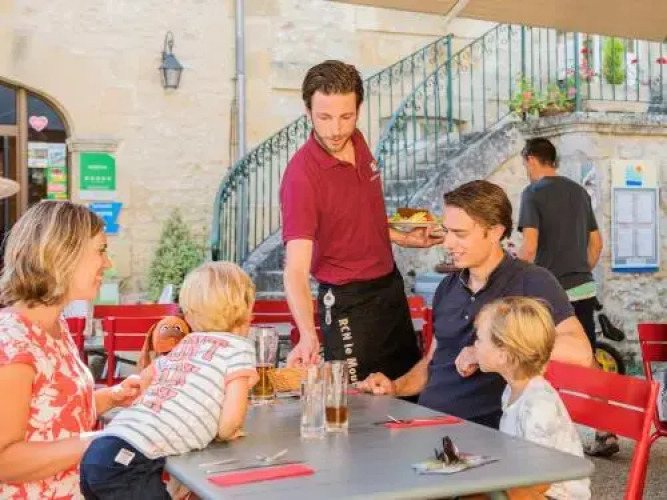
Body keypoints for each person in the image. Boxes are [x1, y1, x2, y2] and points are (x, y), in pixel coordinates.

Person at [359, 180, 592, 429]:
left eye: (460, 234)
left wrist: (489, 350)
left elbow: (580, 351)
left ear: (495, 232)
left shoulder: (532, 281)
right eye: (446, 231)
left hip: (482, 435)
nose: (447, 243)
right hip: (426, 423)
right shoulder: (447, 287)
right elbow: (433, 363)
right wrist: (395, 387)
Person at [280, 60, 442, 384]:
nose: (336, 130)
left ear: (358, 109)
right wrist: (308, 335)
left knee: (408, 390)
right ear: (307, 112)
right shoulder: (301, 178)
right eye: (324, 117)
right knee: (361, 405)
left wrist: (401, 236)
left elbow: (357, 213)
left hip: (390, 290)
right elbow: (295, 270)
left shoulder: (357, 140)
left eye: (346, 116)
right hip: (347, 303)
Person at [80, 262, 259, 499]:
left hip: (101, 450)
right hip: (129, 463)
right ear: (246, 311)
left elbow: (145, 378)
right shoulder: (238, 349)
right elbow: (229, 422)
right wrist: (230, 431)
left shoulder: (187, 344)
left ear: (190, 314)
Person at [0, 200, 141, 499]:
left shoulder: (56, 325)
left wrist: (113, 396)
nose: (108, 263)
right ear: (63, 255)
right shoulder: (12, 342)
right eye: (101, 250)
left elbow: (52, 414)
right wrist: (103, 440)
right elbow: (4, 459)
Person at [516, 137, 616, 457]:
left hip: (548, 292)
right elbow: (596, 244)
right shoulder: (578, 192)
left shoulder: (532, 193)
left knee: (537, 358)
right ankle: (605, 430)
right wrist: (580, 271)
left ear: (531, 160)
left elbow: (529, 248)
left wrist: (513, 274)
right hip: (582, 287)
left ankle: (545, 436)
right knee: (587, 358)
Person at [474, 297, 590, 500]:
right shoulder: (512, 390)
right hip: (524, 483)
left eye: (479, 339)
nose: (474, 345)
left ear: (503, 355)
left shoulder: (537, 406)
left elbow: (540, 482)